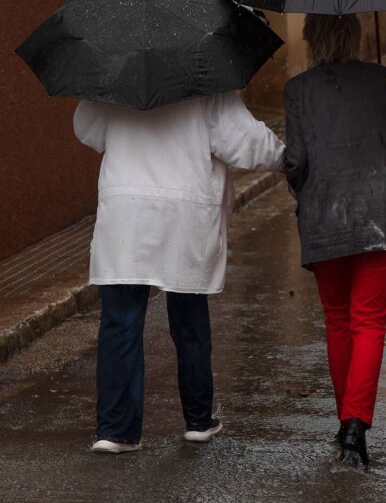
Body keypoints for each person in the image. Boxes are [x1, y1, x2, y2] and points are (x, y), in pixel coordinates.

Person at [73, 92, 284, 454]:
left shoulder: (114, 76)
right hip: (185, 209)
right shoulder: (207, 79)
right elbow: (244, 141)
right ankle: (199, 420)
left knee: (120, 320)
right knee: (189, 317)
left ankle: (116, 430)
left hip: (126, 208)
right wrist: (288, 156)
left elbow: (87, 128)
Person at [282, 13, 386, 467]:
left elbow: (295, 162)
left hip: (323, 221)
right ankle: (356, 423)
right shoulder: (383, 79)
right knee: (369, 322)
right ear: (355, 36)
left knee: (338, 321)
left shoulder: (297, 90)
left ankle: (345, 421)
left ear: (312, 39)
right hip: (378, 218)